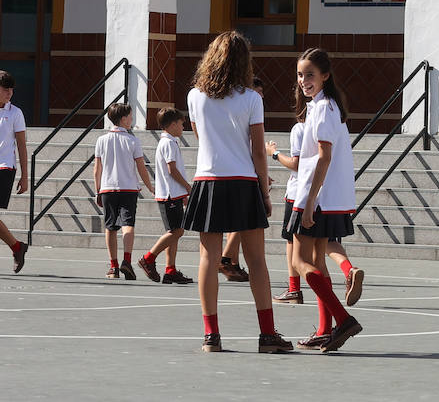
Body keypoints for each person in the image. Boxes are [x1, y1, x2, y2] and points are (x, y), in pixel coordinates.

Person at [182, 31, 293, 353]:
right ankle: (267, 334)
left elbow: (201, 137)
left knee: (207, 258)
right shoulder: (251, 99)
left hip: (208, 180)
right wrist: (265, 191)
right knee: (256, 260)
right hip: (243, 181)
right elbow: (259, 151)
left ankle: (211, 335)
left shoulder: (194, 96)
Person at [286, 48, 363, 351]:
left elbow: (324, 156)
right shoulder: (326, 106)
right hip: (326, 197)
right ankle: (324, 328)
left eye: (310, 75)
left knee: (299, 260)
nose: (304, 80)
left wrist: (308, 202)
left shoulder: (322, 109)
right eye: (300, 75)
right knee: (318, 260)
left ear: (325, 76)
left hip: (316, 197)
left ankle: (343, 319)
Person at [92, 102, 155, 279]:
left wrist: (97, 190)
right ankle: (127, 260)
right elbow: (141, 167)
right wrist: (150, 187)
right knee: (128, 225)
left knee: (110, 227)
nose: (132, 119)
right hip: (128, 188)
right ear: (123, 118)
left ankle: (113, 266)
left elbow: (97, 169)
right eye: (130, 116)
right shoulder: (133, 140)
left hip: (108, 188)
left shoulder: (101, 140)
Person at [136, 108, 194, 284]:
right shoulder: (168, 143)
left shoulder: (170, 142)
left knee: (174, 232)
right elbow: (172, 170)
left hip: (173, 193)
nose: (183, 127)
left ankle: (170, 270)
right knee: (177, 231)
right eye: (181, 123)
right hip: (169, 194)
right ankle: (148, 258)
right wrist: (187, 187)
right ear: (173, 124)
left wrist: (182, 192)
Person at [267, 77, 308, 303]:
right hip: (318, 191)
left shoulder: (300, 129)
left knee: (292, 241)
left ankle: (294, 288)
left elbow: (296, 163)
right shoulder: (328, 125)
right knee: (324, 244)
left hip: (297, 192)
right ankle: (347, 269)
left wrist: (273, 153)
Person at [0, 70, 30, 272]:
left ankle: (17, 246)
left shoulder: (15, 113)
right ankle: (17, 246)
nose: (9, 93)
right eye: (5, 89)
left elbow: (21, 145)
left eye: (11, 89)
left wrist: (25, 176)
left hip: (4, 167)